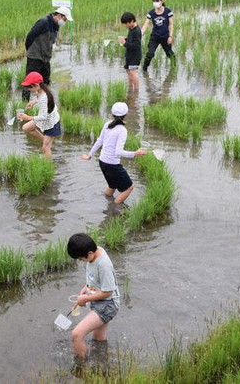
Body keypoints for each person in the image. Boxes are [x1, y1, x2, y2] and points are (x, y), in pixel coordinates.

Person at [66, 233, 121, 362]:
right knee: (98, 339)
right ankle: (102, 363)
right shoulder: (94, 253)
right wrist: (86, 288)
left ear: (90, 253)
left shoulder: (103, 265)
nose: (80, 261)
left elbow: (108, 292)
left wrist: (85, 299)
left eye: (80, 259)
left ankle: (81, 368)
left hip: (107, 305)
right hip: (100, 301)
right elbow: (95, 277)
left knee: (77, 334)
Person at [80, 102, 146, 204]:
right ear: (126, 114)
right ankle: (114, 209)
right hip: (112, 165)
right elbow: (118, 152)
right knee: (129, 187)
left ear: (112, 114)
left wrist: (89, 155)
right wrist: (135, 153)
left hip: (102, 162)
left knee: (112, 186)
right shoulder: (122, 130)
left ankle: (106, 202)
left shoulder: (107, 124)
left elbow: (99, 141)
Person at [23, 6, 72, 100]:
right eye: (64, 19)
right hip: (35, 56)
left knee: (45, 80)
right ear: (59, 15)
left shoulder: (56, 25)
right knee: (29, 81)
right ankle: (24, 103)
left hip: (46, 57)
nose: (64, 22)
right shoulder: (44, 22)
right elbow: (30, 36)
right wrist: (30, 50)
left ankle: (43, 101)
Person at [18, 71, 61, 158]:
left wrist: (28, 117)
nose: (28, 89)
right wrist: (33, 102)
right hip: (44, 118)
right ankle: (45, 141)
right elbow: (39, 97)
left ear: (36, 85)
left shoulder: (44, 98)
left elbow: (44, 117)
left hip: (51, 123)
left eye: (29, 87)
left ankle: (47, 167)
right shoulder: (41, 90)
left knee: (45, 148)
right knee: (26, 128)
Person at [140, 0, 175, 72]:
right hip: (155, 37)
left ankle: (174, 68)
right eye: (154, 1)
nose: (155, 3)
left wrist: (170, 36)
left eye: (157, 1)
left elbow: (171, 25)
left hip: (165, 37)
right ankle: (144, 70)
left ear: (162, 1)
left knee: (170, 54)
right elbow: (146, 24)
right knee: (150, 53)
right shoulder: (151, 13)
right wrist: (141, 33)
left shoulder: (168, 11)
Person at [117, 12, 142, 91]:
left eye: (126, 24)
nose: (126, 26)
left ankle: (136, 90)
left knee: (132, 72)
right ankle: (131, 89)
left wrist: (125, 43)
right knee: (128, 71)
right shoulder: (131, 29)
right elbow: (131, 40)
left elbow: (136, 45)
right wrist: (125, 39)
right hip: (129, 54)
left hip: (135, 55)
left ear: (131, 21)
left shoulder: (137, 31)